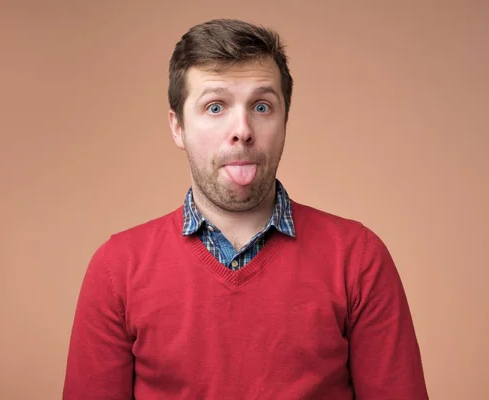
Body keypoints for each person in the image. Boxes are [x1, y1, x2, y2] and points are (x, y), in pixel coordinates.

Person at [62, 18, 429, 400]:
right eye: (215, 106)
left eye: (262, 106)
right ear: (178, 127)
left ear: (284, 121)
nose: (243, 129)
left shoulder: (358, 258)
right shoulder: (115, 268)